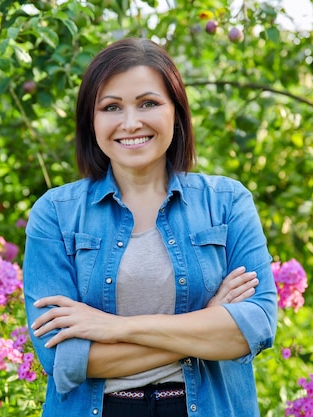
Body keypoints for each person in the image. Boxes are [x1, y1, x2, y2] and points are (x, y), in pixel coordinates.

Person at [23, 37, 277, 417]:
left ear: (176, 111)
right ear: (91, 122)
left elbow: (254, 327)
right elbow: (63, 358)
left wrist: (111, 328)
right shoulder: (56, 214)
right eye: (111, 107)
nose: (130, 123)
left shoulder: (227, 203)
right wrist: (206, 323)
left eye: (148, 103)